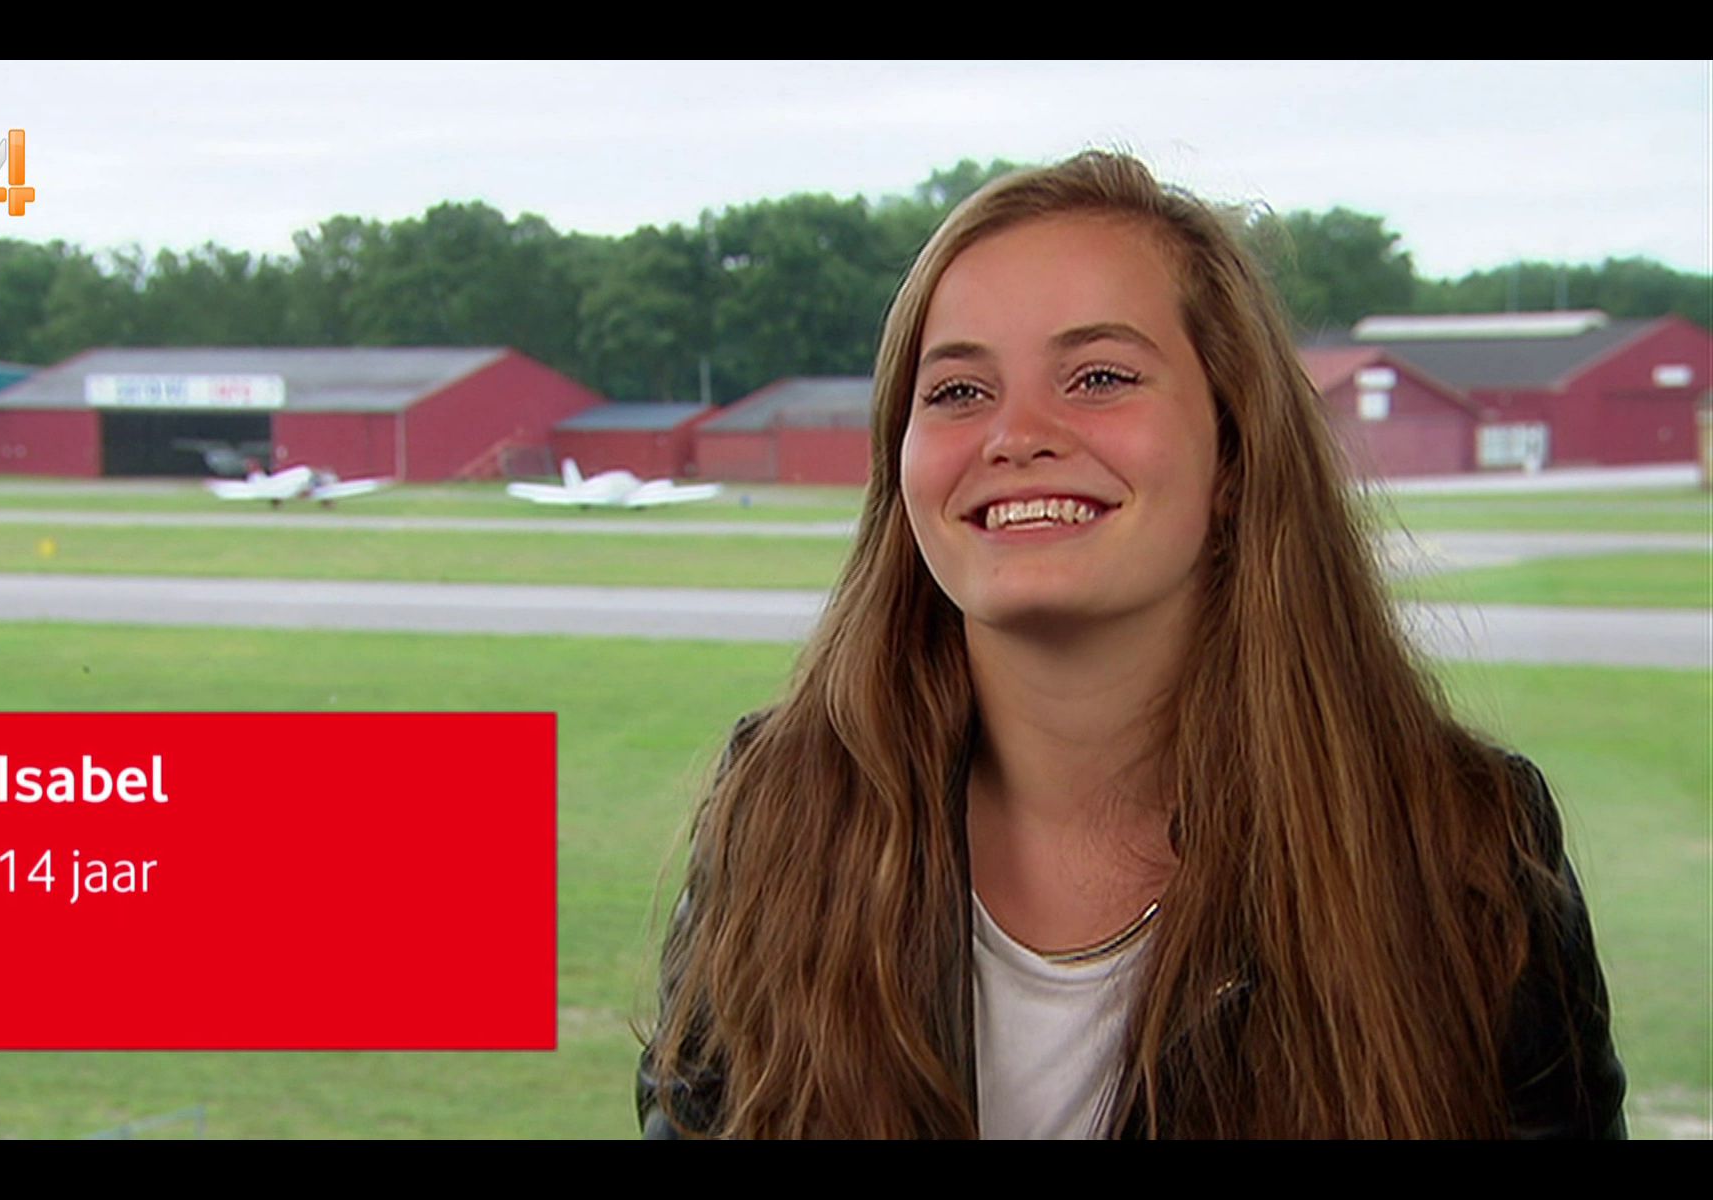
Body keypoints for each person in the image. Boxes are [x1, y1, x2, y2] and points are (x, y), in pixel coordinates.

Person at [637, 151, 1626, 1139]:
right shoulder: (779, 819)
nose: (1015, 435)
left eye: (1100, 377)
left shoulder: (1455, 847)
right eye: (958, 392)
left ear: (1234, 452)